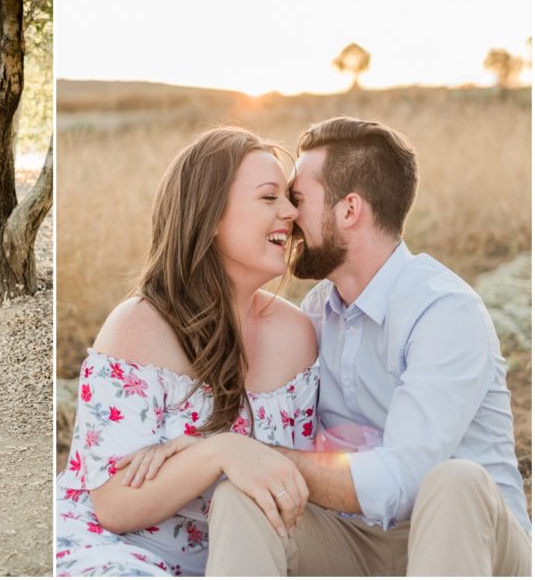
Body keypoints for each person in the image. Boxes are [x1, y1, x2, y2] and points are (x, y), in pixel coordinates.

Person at [203, 116, 531, 575]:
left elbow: (403, 481)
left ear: (350, 210)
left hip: (471, 546)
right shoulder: (315, 313)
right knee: (246, 496)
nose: (290, 216)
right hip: (360, 542)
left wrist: (262, 457)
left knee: (456, 481)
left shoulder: (443, 311)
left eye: (299, 199)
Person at [55, 127, 319, 576]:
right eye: (269, 198)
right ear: (211, 215)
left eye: (290, 199)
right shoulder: (138, 327)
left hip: (248, 557)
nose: (291, 212)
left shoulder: (297, 333)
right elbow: (115, 505)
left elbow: (304, 476)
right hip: (121, 550)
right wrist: (221, 452)